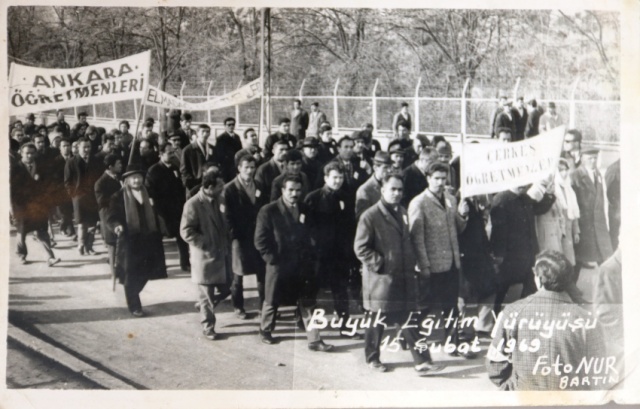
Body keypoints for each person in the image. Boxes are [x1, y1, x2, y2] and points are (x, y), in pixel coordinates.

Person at [355, 174, 445, 375]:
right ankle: (372, 359)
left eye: (400, 190)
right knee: (376, 322)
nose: (396, 193)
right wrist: (382, 263)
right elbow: (360, 248)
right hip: (381, 281)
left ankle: (422, 362)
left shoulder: (402, 212)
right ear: (383, 190)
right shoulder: (370, 216)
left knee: (408, 319)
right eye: (392, 189)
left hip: (402, 278)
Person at [487, 250, 607, 391]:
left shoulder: (512, 312)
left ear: (538, 279)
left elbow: (495, 367)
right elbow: (599, 373)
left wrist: (513, 387)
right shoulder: (587, 320)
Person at [254, 175, 334, 351]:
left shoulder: (305, 209)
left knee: (308, 301)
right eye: (290, 190)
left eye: (298, 190)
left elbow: (312, 234)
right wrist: (272, 260)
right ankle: (265, 330)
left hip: (301, 265)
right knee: (271, 299)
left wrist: (311, 255)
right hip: (279, 264)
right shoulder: (269, 211)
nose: (294, 194)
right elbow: (260, 241)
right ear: (283, 191)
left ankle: (314, 340)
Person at [408, 162, 473, 359]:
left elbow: (457, 230)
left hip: (451, 263)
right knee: (425, 307)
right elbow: (416, 237)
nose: (440, 182)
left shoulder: (451, 199)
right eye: (436, 178)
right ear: (428, 179)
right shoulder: (418, 203)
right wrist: (424, 264)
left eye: (443, 179)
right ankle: (408, 336)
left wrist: (462, 215)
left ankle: (453, 344)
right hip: (431, 266)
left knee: (451, 307)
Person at [108, 164, 168, 318]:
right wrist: (117, 226)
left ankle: (132, 293)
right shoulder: (118, 196)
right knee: (131, 273)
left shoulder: (148, 193)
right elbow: (112, 217)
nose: (136, 180)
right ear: (127, 180)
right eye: (133, 177)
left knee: (148, 270)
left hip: (149, 239)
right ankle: (134, 305)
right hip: (130, 240)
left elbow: (157, 212)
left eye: (139, 177)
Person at [305, 162, 357, 337]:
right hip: (319, 255)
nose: (338, 181)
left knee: (341, 290)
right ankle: (310, 329)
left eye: (341, 177)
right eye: (334, 177)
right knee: (312, 291)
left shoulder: (346, 197)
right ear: (326, 178)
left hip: (339, 255)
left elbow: (350, 226)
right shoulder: (313, 198)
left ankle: (345, 326)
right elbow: (307, 228)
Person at [181, 170, 233, 339]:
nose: (222, 188)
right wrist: (206, 243)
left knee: (228, 287)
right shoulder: (193, 204)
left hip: (222, 254)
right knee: (207, 295)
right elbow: (186, 231)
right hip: (204, 257)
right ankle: (208, 326)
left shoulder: (220, 199)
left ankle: (203, 306)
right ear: (209, 187)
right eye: (219, 186)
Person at [490, 183, 555, 311]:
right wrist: (499, 254)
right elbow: (498, 231)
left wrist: (549, 195)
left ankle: (524, 312)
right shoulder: (501, 199)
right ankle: (496, 312)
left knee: (530, 283)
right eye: (520, 184)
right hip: (510, 255)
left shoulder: (525, 198)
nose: (523, 186)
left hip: (528, 251)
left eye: (525, 184)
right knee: (503, 286)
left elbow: (538, 209)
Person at [223, 154, 268, 318]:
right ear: (239, 168)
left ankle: (263, 305)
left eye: (252, 167)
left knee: (261, 271)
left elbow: (264, 209)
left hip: (258, 236)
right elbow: (227, 216)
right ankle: (238, 307)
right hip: (239, 238)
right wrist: (234, 236)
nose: (250, 170)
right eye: (246, 167)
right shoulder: (229, 189)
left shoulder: (260, 186)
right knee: (238, 273)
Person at [10, 143, 60, 267]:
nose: (29, 155)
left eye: (32, 153)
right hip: (21, 206)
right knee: (22, 232)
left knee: (42, 231)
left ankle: (50, 257)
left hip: (39, 206)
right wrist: (11, 209)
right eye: (27, 153)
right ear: (21, 154)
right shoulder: (15, 168)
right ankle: (21, 254)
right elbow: (11, 190)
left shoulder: (41, 167)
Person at [146, 143, 190, 272]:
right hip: (162, 210)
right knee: (158, 238)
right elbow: (150, 191)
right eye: (169, 153)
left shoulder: (175, 168)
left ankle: (185, 263)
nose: (172, 155)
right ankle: (159, 266)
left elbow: (180, 188)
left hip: (176, 208)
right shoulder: (153, 170)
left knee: (181, 236)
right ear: (161, 154)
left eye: (173, 152)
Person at [458, 194, 497, 336]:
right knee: (467, 294)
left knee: (488, 289)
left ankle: (483, 326)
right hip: (467, 255)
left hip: (481, 255)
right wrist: (462, 215)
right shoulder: (461, 201)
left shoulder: (477, 203)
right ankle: (465, 328)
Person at [571, 149, 613, 272]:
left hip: (598, 223)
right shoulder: (575, 175)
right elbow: (573, 202)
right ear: (582, 159)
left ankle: (608, 284)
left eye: (595, 158)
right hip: (584, 223)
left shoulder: (598, 174)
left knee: (604, 256)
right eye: (590, 158)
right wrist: (576, 227)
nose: (593, 161)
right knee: (579, 257)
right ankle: (570, 286)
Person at [64, 137, 102, 255]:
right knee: (81, 224)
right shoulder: (71, 162)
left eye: (88, 147)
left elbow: (100, 177)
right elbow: (67, 181)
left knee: (93, 224)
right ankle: (81, 244)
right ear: (78, 147)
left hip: (93, 196)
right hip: (79, 197)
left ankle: (89, 247)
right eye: (84, 147)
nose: (86, 149)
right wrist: (74, 194)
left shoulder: (96, 160)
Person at [94, 154, 124, 278]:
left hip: (120, 215)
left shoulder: (118, 178)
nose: (121, 166)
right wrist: (120, 192)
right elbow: (102, 202)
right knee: (112, 246)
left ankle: (119, 270)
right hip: (108, 217)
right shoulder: (101, 183)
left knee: (120, 245)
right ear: (110, 167)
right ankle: (113, 273)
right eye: (118, 164)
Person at [355, 152, 393, 220]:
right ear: (375, 168)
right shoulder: (365, 190)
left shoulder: (392, 185)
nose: (389, 170)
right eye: (385, 167)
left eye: (390, 167)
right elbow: (363, 220)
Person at [180, 124, 215, 194]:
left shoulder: (212, 148)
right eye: (203, 131)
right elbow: (184, 170)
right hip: (194, 185)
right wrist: (191, 184)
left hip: (209, 184)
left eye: (208, 132)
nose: (205, 134)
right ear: (197, 133)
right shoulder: (188, 150)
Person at [215, 117, 243, 183]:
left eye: (233, 124)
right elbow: (219, 155)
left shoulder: (237, 137)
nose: (231, 126)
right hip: (226, 167)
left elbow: (240, 151)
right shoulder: (220, 138)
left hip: (235, 166)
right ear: (225, 126)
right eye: (229, 125)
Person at [604, 158, 620, 250]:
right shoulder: (614, 168)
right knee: (615, 233)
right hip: (616, 207)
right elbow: (608, 189)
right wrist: (615, 204)